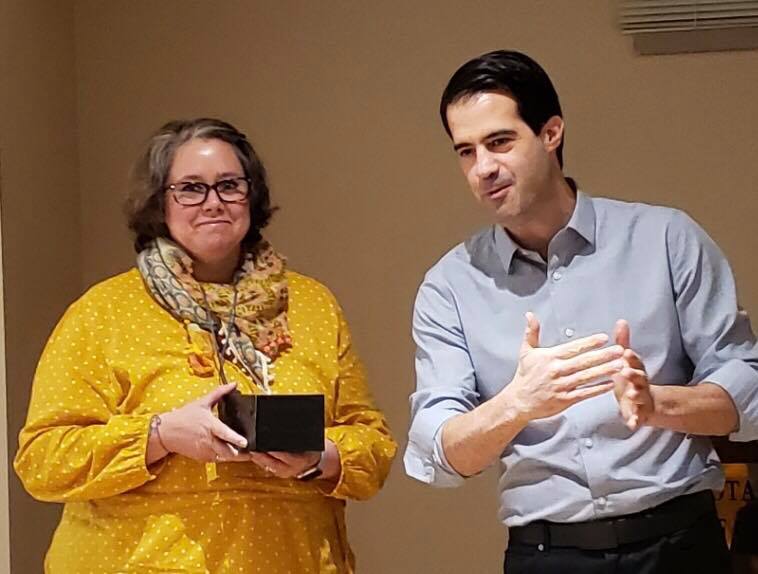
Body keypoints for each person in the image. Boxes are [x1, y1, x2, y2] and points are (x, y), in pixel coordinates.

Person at [404, 50, 758, 573]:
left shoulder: (665, 239)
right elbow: (441, 454)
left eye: (500, 142)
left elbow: (747, 390)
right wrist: (518, 404)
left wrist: (657, 404)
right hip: (548, 555)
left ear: (551, 133)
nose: (483, 168)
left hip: (679, 542)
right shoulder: (449, 286)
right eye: (465, 151)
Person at [15, 117, 397, 574]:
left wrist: (319, 457)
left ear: (252, 196)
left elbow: (373, 447)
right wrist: (159, 436)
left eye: (229, 186)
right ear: (160, 201)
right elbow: (43, 460)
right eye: (191, 189)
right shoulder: (102, 311)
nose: (213, 202)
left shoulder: (312, 304)